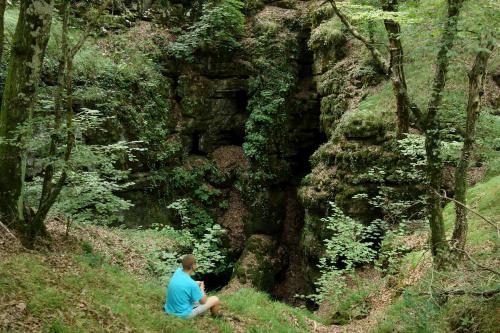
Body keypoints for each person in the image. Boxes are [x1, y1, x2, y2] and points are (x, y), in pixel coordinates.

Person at [164, 254, 221, 318]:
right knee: (215, 299)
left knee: (194, 297)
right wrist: (201, 289)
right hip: (182, 315)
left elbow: (184, 282)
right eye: (195, 264)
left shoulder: (177, 271)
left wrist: (195, 283)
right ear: (193, 266)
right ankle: (216, 316)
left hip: (169, 310)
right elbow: (203, 301)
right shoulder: (192, 284)